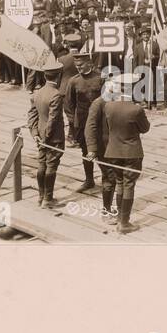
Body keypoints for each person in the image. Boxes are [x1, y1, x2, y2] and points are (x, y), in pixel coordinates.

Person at [103, 73, 151, 235]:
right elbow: (145, 128)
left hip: (113, 151)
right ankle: (124, 223)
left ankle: (118, 218)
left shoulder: (108, 106)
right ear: (133, 89)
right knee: (129, 185)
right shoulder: (136, 109)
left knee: (119, 182)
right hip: (132, 152)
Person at [26, 60, 66, 209]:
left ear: (45, 75)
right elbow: (53, 120)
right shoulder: (56, 95)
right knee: (51, 166)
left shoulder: (38, 93)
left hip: (40, 136)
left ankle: (41, 196)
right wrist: (46, 137)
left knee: (41, 164)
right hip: (53, 138)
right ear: (59, 76)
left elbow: (32, 115)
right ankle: (48, 199)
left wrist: (35, 133)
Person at [62, 54, 104, 192]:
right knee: (86, 152)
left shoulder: (100, 78)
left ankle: (107, 178)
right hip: (82, 123)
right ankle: (89, 180)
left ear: (89, 63)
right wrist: (74, 122)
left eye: (81, 65)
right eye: (76, 65)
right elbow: (68, 105)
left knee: (103, 149)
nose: (78, 67)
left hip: (100, 121)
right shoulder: (73, 82)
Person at [83, 74, 119, 222]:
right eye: (115, 85)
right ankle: (106, 211)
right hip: (104, 149)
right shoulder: (98, 103)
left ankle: (113, 208)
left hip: (118, 147)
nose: (118, 88)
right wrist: (92, 149)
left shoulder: (118, 101)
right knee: (109, 178)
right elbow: (90, 127)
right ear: (108, 86)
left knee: (115, 178)